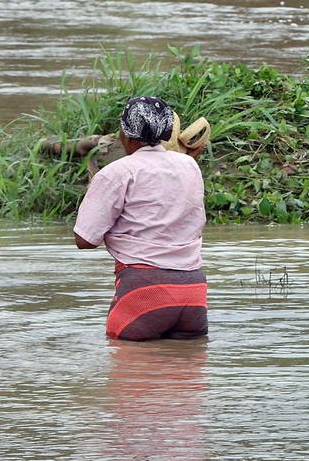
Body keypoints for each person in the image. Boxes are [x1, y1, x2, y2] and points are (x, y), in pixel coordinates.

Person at [73, 96, 209, 341]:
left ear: (126, 134)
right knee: (187, 374)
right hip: (193, 290)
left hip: (143, 290)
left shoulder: (117, 172)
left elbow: (85, 240)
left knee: (130, 375)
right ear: (168, 133)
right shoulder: (189, 165)